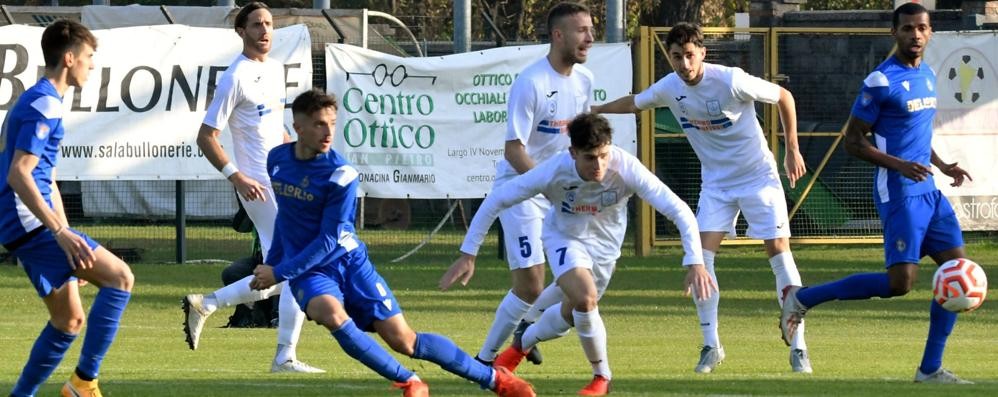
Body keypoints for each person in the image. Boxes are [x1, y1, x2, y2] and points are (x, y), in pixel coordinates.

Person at [249, 89, 536, 397]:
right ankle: (410, 381)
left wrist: (279, 272)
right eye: (320, 124)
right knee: (330, 313)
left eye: (333, 122)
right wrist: (274, 261)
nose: (328, 131)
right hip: (310, 270)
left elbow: (330, 239)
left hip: (348, 262)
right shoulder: (277, 160)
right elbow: (286, 218)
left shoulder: (341, 174)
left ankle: (496, 380)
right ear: (298, 127)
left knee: (405, 340)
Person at [594, 22, 811, 374]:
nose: (683, 64)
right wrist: (594, 109)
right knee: (700, 258)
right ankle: (711, 345)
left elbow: (784, 97)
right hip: (717, 186)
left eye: (689, 56)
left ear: (702, 54)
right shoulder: (669, 88)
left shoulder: (730, 79)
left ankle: (799, 348)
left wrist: (792, 150)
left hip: (758, 178)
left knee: (778, 252)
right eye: (677, 57)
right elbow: (634, 103)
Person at [780, 2, 975, 384]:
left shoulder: (929, 75)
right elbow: (852, 141)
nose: (915, 35)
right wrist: (900, 165)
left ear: (930, 32)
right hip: (899, 193)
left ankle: (930, 369)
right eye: (907, 29)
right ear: (894, 33)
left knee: (958, 273)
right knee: (899, 285)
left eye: (921, 28)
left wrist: (942, 164)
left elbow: (918, 132)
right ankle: (802, 298)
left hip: (929, 193)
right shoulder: (880, 81)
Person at [444, 113, 704, 396]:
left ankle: (521, 345)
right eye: (590, 158)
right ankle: (601, 377)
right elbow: (497, 199)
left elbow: (678, 209)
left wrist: (695, 261)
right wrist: (468, 253)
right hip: (564, 238)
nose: (599, 165)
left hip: (605, 251)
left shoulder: (626, 168)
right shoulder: (554, 170)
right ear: (573, 153)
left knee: (571, 312)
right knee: (584, 297)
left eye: (604, 155)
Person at [438, 1, 594, 368]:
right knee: (530, 285)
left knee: (579, 280)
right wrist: (547, 186)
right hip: (523, 189)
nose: (589, 38)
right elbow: (513, 150)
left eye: (591, 29)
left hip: (557, 193)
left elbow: (582, 141)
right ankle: (485, 359)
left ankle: (525, 328)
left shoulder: (585, 81)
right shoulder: (532, 82)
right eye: (582, 31)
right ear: (558, 36)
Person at [180, 2, 323, 373]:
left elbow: (276, 128)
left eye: (269, 24)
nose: (265, 31)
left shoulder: (274, 70)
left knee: (289, 270)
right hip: (258, 187)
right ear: (240, 31)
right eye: (256, 24)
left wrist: (298, 156)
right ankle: (283, 356)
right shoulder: (235, 76)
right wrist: (236, 176)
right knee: (296, 267)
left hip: (284, 180)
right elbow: (206, 137)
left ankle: (208, 304)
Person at [2, 20, 134, 397]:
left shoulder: (41, 100)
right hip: (28, 220)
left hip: (23, 222)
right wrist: (60, 233)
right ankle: (83, 383)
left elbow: (46, 178)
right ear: (70, 57)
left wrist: (67, 234)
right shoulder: (44, 103)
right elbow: (19, 173)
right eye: (89, 57)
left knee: (68, 321)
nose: (92, 66)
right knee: (120, 278)